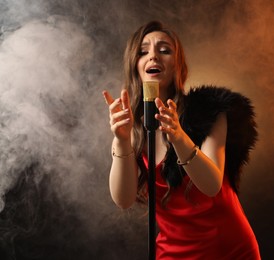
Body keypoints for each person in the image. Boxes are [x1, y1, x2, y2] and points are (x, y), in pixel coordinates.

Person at [102, 20, 261, 259]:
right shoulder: (131, 125)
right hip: (172, 251)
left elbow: (211, 186)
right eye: (143, 51)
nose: (153, 56)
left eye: (164, 50)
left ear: (177, 65)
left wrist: (178, 137)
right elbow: (123, 200)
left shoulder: (210, 110)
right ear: (134, 65)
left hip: (226, 247)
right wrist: (122, 141)